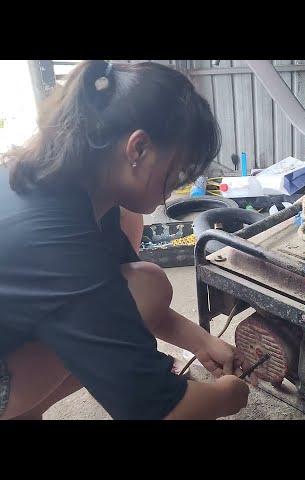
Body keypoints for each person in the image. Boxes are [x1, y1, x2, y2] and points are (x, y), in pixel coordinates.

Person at [0, 60, 254, 420]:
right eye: (178, 170)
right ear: (138, 149)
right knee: (146, 286)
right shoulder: (59, 239)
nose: (172, 190)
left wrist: (202, 342)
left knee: (143, 283)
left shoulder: (65, 184)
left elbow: (113, 302)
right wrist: (229, 396)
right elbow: (155, 412)